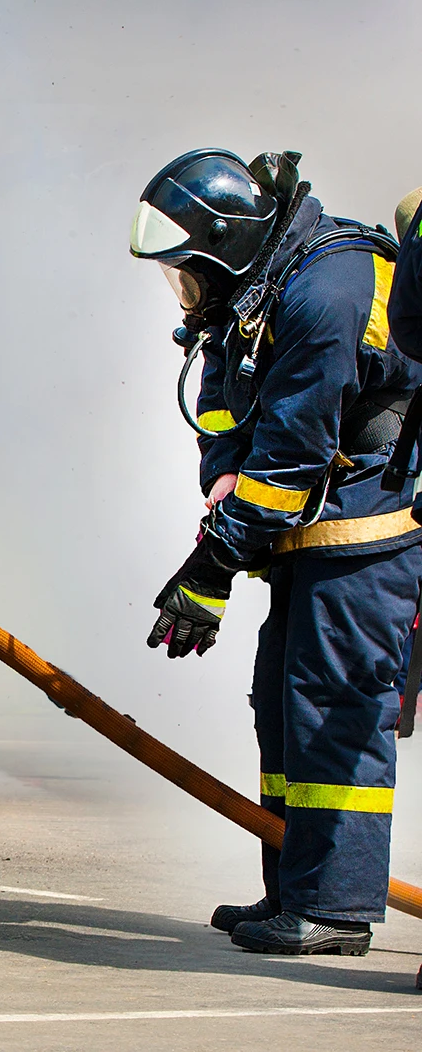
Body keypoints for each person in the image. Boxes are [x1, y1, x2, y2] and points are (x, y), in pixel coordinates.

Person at [131, 149, 421, 956]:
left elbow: (292, 458)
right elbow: (227, 421)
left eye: (183, 271)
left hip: (368, 535)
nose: (181, 291)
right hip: (310, 534)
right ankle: (291, 888)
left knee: (335, 708)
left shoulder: (329, 291)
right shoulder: (250, 297)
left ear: (223, 245)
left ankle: (335, 906)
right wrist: (221, 497)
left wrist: (212, 565)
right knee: (284, 701)